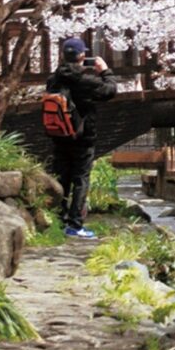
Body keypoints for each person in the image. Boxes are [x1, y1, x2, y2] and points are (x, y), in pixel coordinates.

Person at [46, 36, 118, 238]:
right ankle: (75, 225)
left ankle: (58, 221)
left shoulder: (53, 79)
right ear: (82, 56)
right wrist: (104, 71)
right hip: (82, 137)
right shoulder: (85, 81)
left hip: (59, 136)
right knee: (80, 179)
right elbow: (110, 91)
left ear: (62, 55)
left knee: (61, 178)